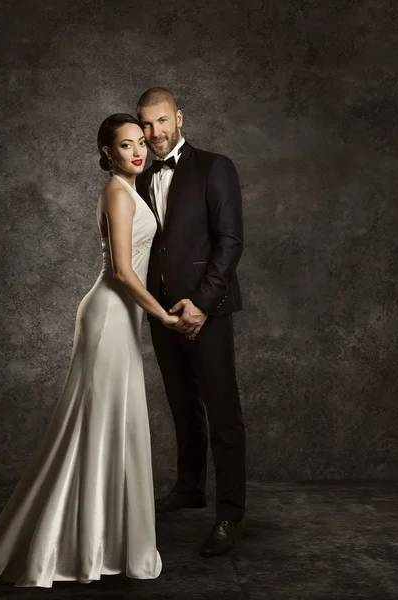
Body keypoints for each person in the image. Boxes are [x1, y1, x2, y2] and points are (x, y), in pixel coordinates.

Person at [0, 113, 178, 587]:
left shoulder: (132, 190)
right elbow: (120, 270)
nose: (138, 151)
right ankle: (81, 546)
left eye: (140, 143)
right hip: (109, 317)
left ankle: (108, 542)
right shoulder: (117, 192)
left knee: (116, 422)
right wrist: (162, 315)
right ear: (106, 154)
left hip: (120, 318)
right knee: (96, 424)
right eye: (125, 145)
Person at [135, 87, 246, 558]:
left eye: (162, 121)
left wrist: (200, 303)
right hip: (162, 313)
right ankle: (188, 488)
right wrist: (157, 308)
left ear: (179, 118)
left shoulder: (214, 167)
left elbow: (230, 241)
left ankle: (230, 513)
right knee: (182, 407)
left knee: (223, 415)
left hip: (208, 311)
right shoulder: (140, 176)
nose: (155, 133)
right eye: (146, 124)